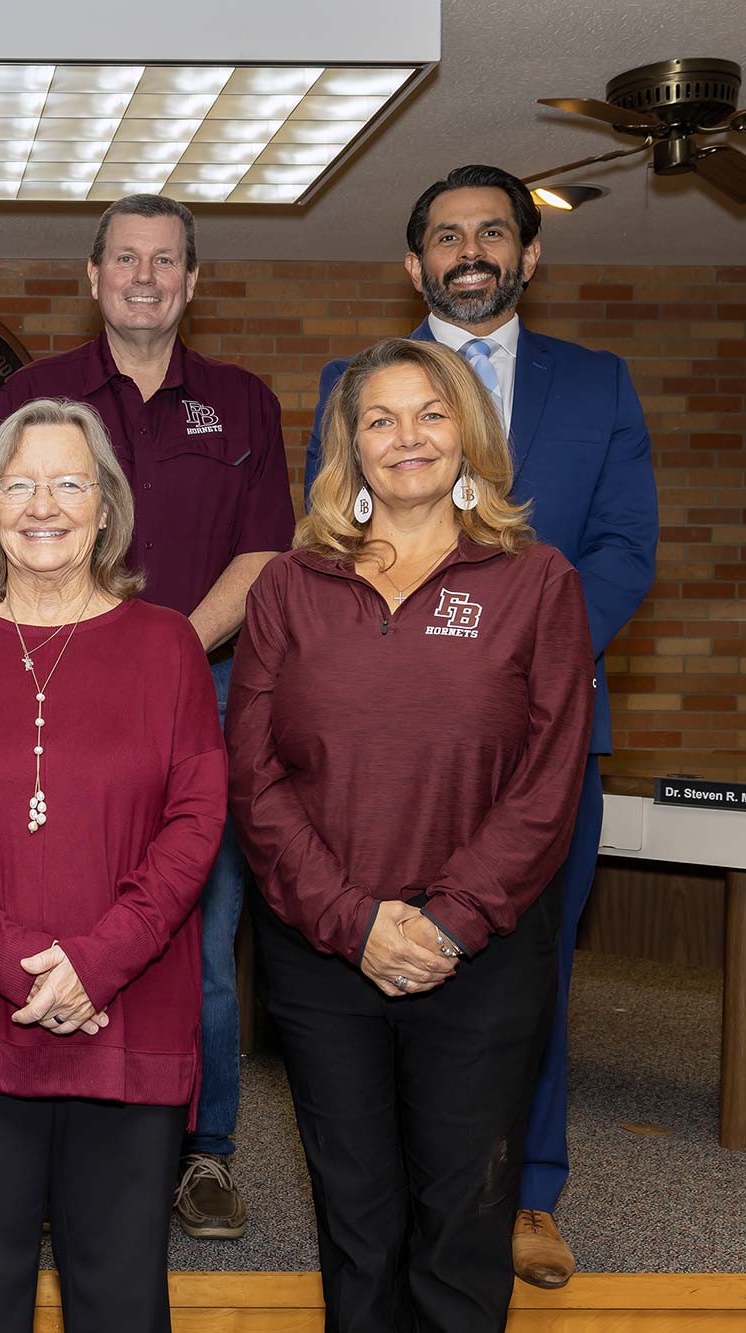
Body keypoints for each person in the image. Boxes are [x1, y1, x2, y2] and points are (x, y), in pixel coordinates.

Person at [305, 164, 657, 1287]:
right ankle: (398, 1185)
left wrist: (524, 666)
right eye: (445, 235)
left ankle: (526, 1191)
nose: (470, 250)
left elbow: (622, 551)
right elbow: (316, 563)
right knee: (363, 955)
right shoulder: (344, 381)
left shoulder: (596, 385)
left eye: (492, 233)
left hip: (542, 744)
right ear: (411, 264)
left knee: (523, 963)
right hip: (371, 745)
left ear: (528, 254)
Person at [240, 337, 594, 1331]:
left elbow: (548, 776)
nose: (407, 438)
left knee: (461, 1216)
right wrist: (351, 922)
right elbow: (254, 777)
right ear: (347, 445)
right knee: (355, 1217)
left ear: (467, 434)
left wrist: (446, 922)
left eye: (430, 414)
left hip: (478, 955)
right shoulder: (288, 587)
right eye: (380, 419)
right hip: (320, 955)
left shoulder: (536, 581)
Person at [0, 397, 226, 1332]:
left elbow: (196, 821)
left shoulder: (171, 647)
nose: (43, 503)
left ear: (106, 507)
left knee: (118, 1300)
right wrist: (18, 955)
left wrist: (100, 959)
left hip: (128, 1016)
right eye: (18, 483)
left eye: (69, 481)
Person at [0, 193, 294, 1241]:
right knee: (59, 912)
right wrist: (99, 651)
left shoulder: (243, 402)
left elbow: (263, 557)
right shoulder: (35, 394)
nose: (145, 277)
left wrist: (161, 647)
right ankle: (54, 1133)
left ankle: (202, 1153)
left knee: (200, 932)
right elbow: (7, 531)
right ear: (92, 276)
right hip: (53, 688)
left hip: (200, 689)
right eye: (125, 258)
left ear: (192, 282)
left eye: (166, 261)